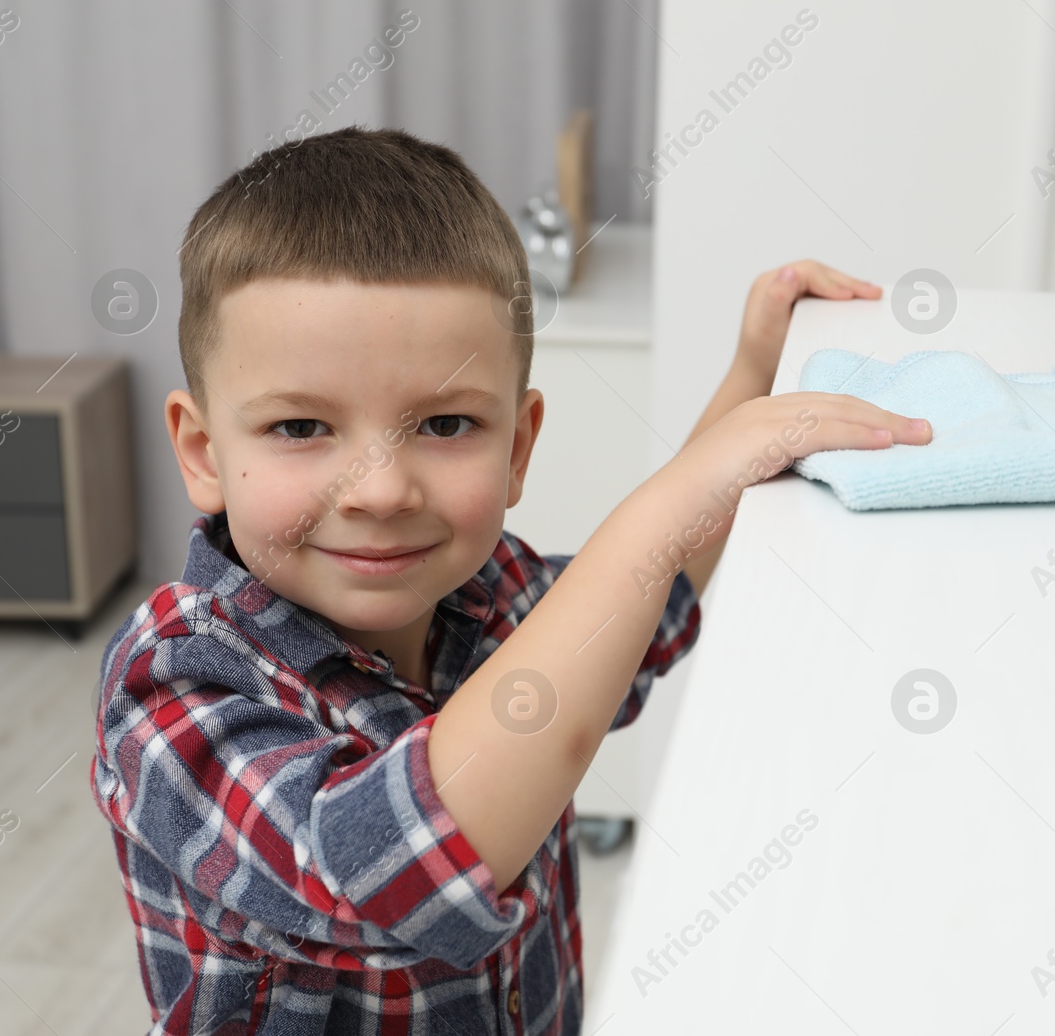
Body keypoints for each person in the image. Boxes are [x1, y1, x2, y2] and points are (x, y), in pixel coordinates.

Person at [89, 124, 930, 1034]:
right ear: (204, 452)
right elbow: (392, 881)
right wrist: (663, 506)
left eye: (446, 424)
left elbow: (644, 605)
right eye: (301, 429)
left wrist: (751, 374)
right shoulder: (172, 685)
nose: (380, 490)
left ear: (520, 444)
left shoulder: (498, 593)